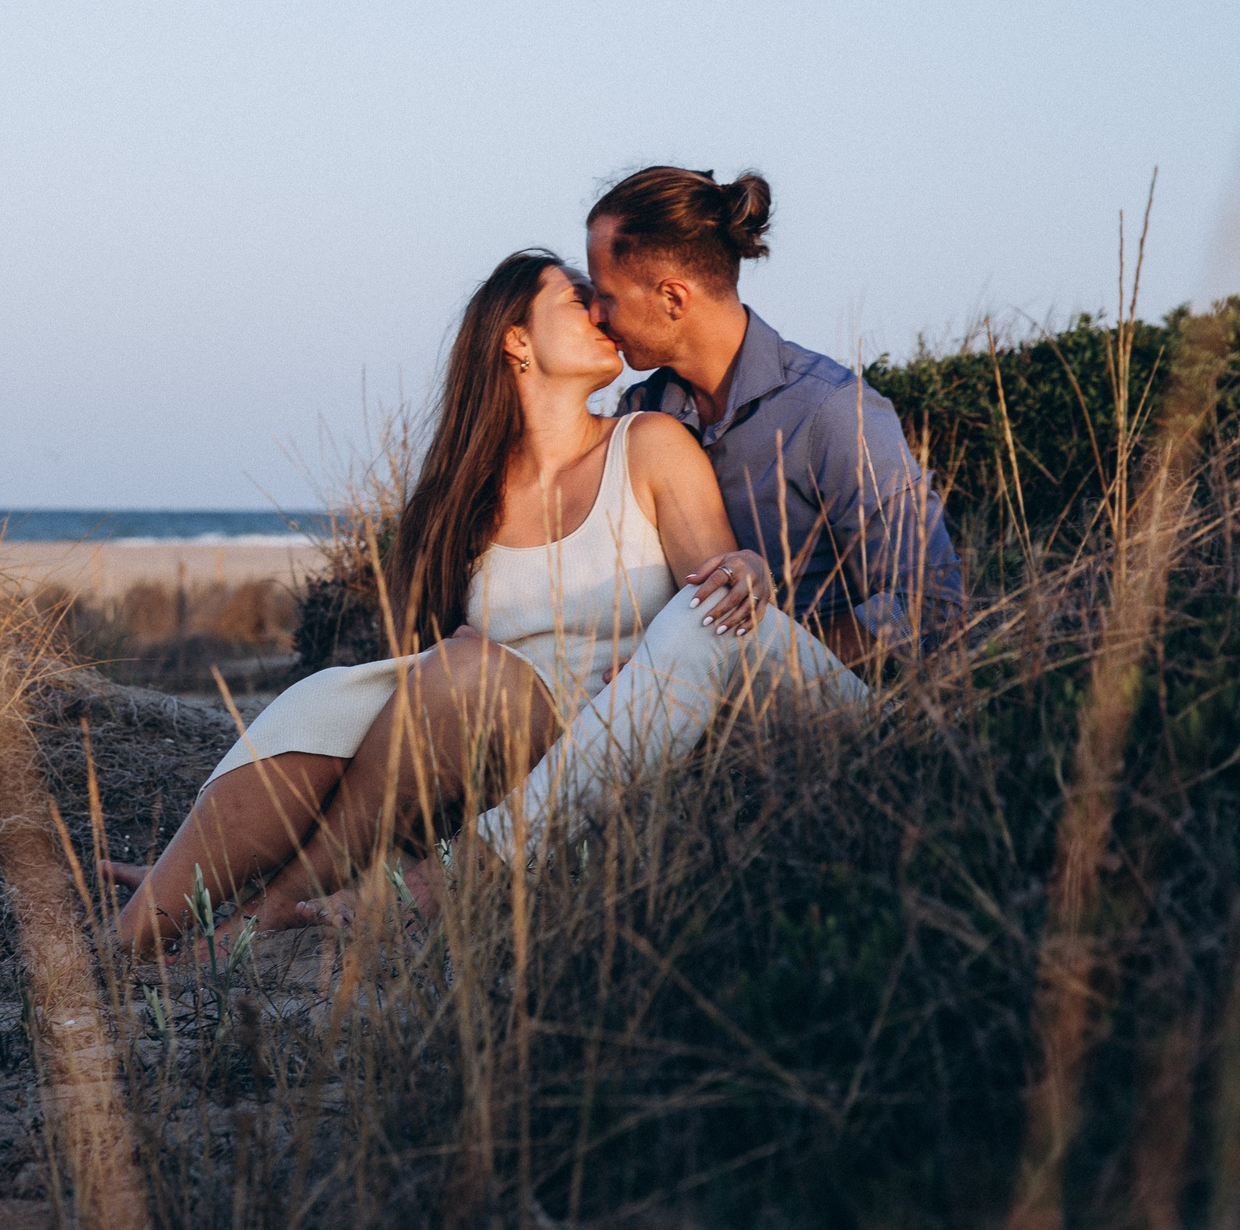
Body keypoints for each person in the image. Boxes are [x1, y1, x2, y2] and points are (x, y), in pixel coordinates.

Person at [105, 248, 865, 955]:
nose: (603, 312)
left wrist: (747, 569)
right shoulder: (463, 499)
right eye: (578, 301)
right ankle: (137, 932)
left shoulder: (651, 442)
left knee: (467, 673)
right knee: (336, 699)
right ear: (516, 342)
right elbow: (417, 716)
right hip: (503, 762)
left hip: (630, 748)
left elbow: (719, 605)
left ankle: (273, 904)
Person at [588, 165, 963, 659]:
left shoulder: (830, 411)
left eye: (606, 294)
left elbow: (931, 605)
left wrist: (765, 672)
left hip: (820, 711)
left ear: (673, 297)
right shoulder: (640, 411)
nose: (594, 313)